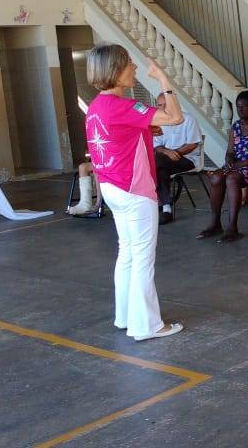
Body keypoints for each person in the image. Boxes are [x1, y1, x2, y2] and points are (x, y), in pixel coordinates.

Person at [84, 44, 183, 341]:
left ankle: (126, 317)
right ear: (115, 70)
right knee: (142, 258)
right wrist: (163, 79)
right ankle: (148, 325)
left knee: (127, 253)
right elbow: (175, 117)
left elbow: (120, 135)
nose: (134, 67)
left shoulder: (97, 107)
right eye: (129, 62)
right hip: (134, 189)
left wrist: (143, 129)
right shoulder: (122, 106)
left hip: (113, 187)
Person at [199, 90, 248, 242]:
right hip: (238, 166)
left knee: (232, 178)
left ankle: (232, 227)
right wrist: (229, 160)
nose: (240, 109)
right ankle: (215, 223)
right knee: (216, 177)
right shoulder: (235, 126)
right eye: (238, 106)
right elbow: (230, 151)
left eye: (244, 106)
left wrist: (243, 163)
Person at [152, 93, 202, 224]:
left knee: (155, 162)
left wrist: (173, 153)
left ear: (174, 104)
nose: (162, 108)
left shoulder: (188, 119)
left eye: (166, 105)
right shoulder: (160, 122)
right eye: (159, 105)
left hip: (187, 159)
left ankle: (155, 201)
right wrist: (166, 152)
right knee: (160, 170)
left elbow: (192, 144)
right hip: (165, 160)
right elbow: (157, 146)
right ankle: (167, 209)